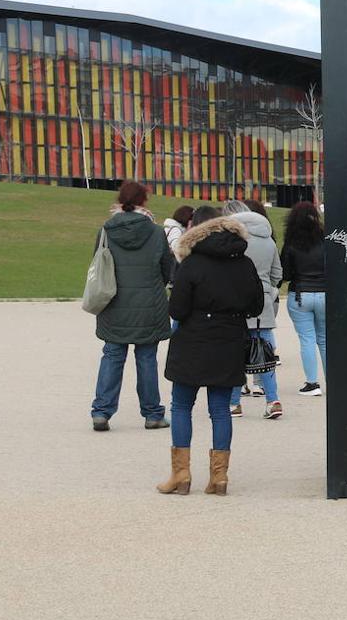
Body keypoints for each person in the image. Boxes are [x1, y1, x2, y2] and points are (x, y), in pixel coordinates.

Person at [158, 212, 265, 496]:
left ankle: (180, 473)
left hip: (193, 339)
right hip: (229, 338)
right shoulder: (244, 263)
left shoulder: (192, 264)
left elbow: (177, 309)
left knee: (181, 405)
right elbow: (256, 306)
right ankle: (220, 476)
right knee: (219, 409)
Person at [90, 181, 174, 432]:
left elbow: (98, 263)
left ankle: (101, 411)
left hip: (114, 301)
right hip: (149, 303)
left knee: (112, 355)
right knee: (146, 358)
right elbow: (167, 270)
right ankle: (152, 413)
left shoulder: (106, 229)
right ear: (143, 201)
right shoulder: (156, 231)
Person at [223, 201, 284, 420]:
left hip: (235, 302)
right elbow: (277, 273)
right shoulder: (268, 241)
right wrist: (268, 291)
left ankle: (234, 403)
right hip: (263, 302)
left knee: (233, 355)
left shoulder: (232, 239)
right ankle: (272, 400)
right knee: (264, 354)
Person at [281, 201, 327, 394]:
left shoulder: (291, 243)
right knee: (324, 339)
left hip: (300, 293)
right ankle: (333, 380)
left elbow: (285, 273)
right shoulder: (325, 241)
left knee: (306, 339)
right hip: (325, 293)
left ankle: (312, 382)